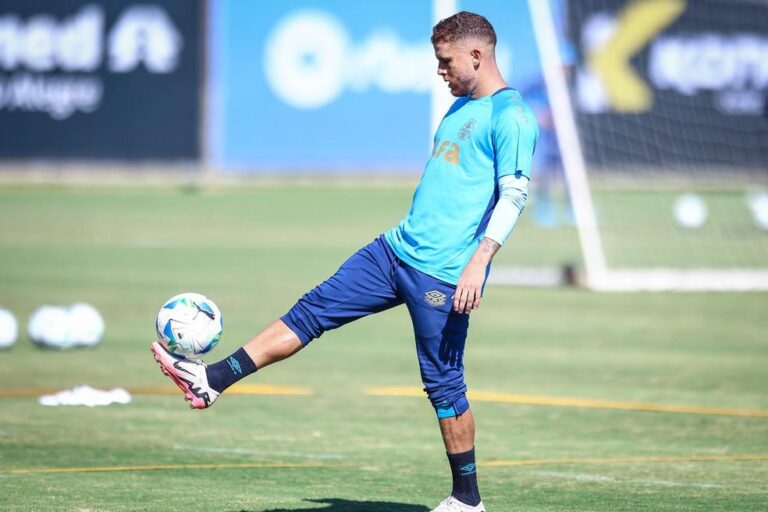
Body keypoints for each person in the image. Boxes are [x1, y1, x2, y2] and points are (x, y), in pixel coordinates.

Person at [151, 11, 538, 512]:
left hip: (442, 275)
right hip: (393, 251)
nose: (440, 71)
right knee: (311, 311)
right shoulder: (458, 108)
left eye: (446, 62)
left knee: (443, 384)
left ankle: (467, 500)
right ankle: (211, 381)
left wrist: (479, 261)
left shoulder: (512, 116)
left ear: (477, 56)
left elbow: (513, 196)